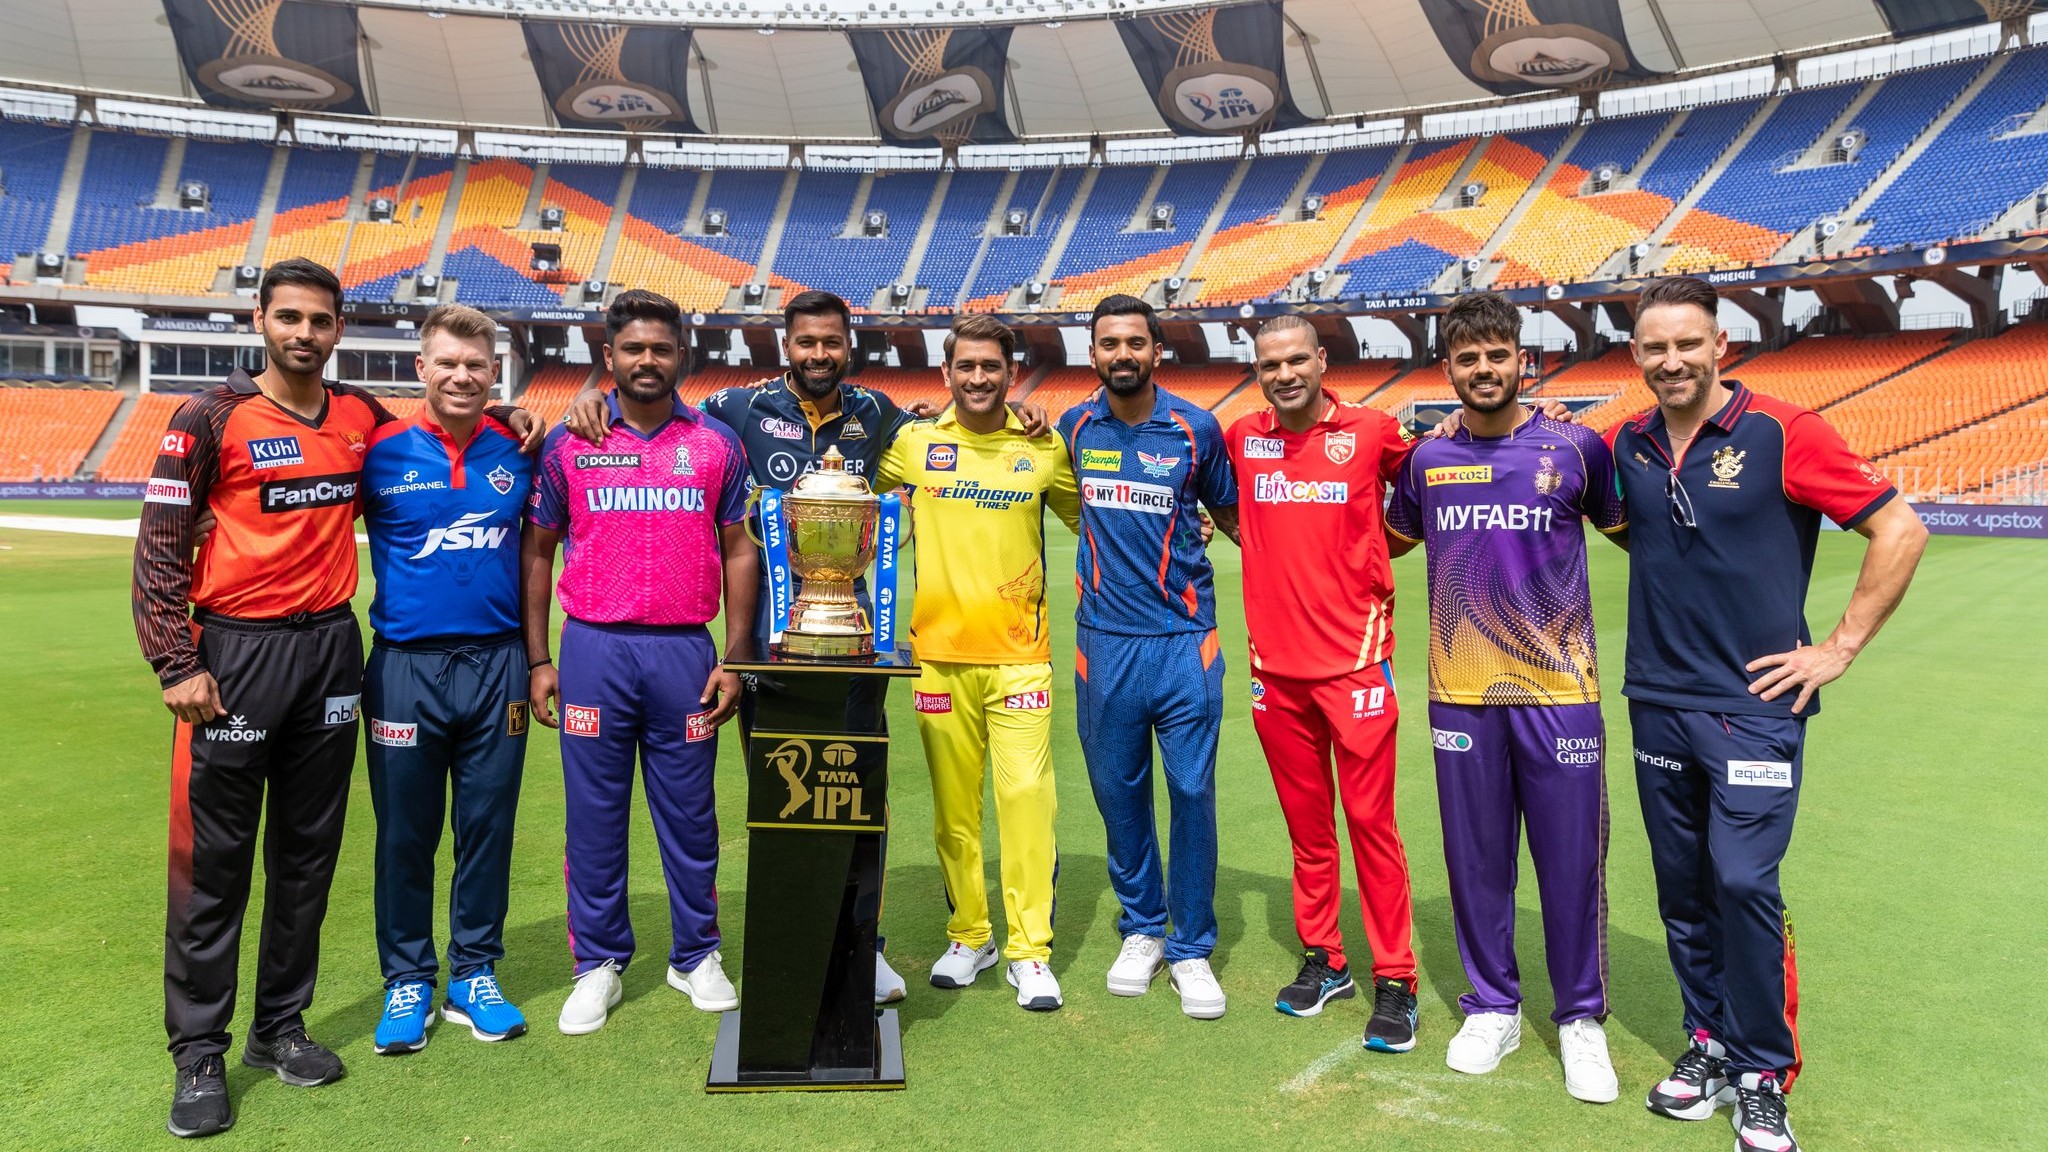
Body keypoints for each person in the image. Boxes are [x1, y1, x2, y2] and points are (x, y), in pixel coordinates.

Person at [133, 258, 536, 1138]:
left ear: (340, 329)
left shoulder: (359, 420)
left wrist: (510, 414)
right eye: (290, 317)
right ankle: (198, 1054)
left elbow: (448, 427)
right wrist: (174, 661)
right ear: (260, 319)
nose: (304, 333)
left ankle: (280, 1028)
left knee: (307, 857)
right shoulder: (207, 416)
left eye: (319, 320)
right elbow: (160, 540)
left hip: (330, 652)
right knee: (216, 863)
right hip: (235, 654)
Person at [559, 290, 1051, 1004]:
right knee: (780, 794)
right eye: (806, 342)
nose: (819, 354)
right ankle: (787, 943)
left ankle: (862, 946)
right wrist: (589, 401)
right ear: (785, 346)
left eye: (832, 342)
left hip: (855, 640)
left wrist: (1024, 413)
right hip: (768, 644)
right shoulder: (736, 409)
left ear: (850, 347)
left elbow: (954, 430)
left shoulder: (879, 415)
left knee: (857, 791)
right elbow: (656, 405)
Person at [1609, 277, 1925, 1152]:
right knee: (1682, 888)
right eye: (1655, 347)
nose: (1672, 360)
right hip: (1657, 703)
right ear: (1636, 356)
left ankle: (1761, 1071)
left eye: (1688, 343)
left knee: (1743, 882)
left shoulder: (1785, 432)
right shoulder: (1628, 442)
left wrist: (1838, 649)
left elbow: (1901, 530)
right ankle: (1709, 1041)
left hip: (1755, 708)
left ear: (1721, 345)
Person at [1382, 291, 1628, 1102]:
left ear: (1523, 360)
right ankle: (1493, 1006)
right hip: (1460, 692)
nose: (1484, 370)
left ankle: (1581, 1018)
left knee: (1570, 863)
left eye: (1497, 355)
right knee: (1477, 861)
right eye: (1468, 358)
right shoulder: (1426, 462)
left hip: (1562, 690)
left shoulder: (1578, 448)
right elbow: (1381, 542)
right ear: (1447, 368)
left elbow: (1641, 536)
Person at [522, 289, 758, 1036]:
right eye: (633, 349)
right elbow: (538, 549)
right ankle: (597, 962)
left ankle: (696, 954)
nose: (647, 360)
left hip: (685, 652)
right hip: (594, 648)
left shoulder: (716, 443)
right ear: (609, 357)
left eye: (661, 348)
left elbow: (739, 549)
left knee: (691, 816)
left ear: (681, 355)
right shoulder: (572, 442)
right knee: (594, 815)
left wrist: (735, 655)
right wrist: (539, 656)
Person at [873, 314, 1081, 1012]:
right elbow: (847, 483)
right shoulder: (914, 443)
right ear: (946, 373)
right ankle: (971, 936)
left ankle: (1030, 951)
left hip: (1021, 658)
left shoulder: (1042, 446)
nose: (979, 377)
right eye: (966, 365)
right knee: (954, 813)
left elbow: (1091, 519)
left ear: (1012, 373)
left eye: (992, 366)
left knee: (1026, 802)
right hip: (938, 659)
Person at [1224, 314, 1420, 1052]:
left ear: (1321, 360)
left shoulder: (1372, 431)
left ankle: (1395, 978)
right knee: (1308, 831)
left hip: (1355, 664)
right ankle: (1325, 958)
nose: (1284, 374)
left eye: (1295, 360)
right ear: (1258, 371)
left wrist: (1377, 552)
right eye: (1269, 364)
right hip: (1275, 671)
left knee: (1372, 827)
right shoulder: (1243, 437)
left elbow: (1432, 478)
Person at [1056, 294, 1239, 1020]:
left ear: (1156, 350)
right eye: (1109, 343)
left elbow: (1233, 517)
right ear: (1093, 354)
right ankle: (1143, 928)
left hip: (1185, 642)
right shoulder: (1073, 427)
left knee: (1191, 793)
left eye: (1135, 342)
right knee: (1118, 793)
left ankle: (1190, 946)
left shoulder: (1196, 428)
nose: (1122, 354)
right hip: (1103, 645)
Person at [360, 304, 535, 1054]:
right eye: (448, 363)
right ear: (420, 368)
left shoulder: (521, 447)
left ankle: (474, 972)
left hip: (499, 667)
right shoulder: (377, 451)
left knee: (486, 828)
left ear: (495, 373)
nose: (461, 376)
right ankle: (407, 978)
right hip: (405, 668)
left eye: (476, 365)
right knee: (405, 832)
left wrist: (517, 415)